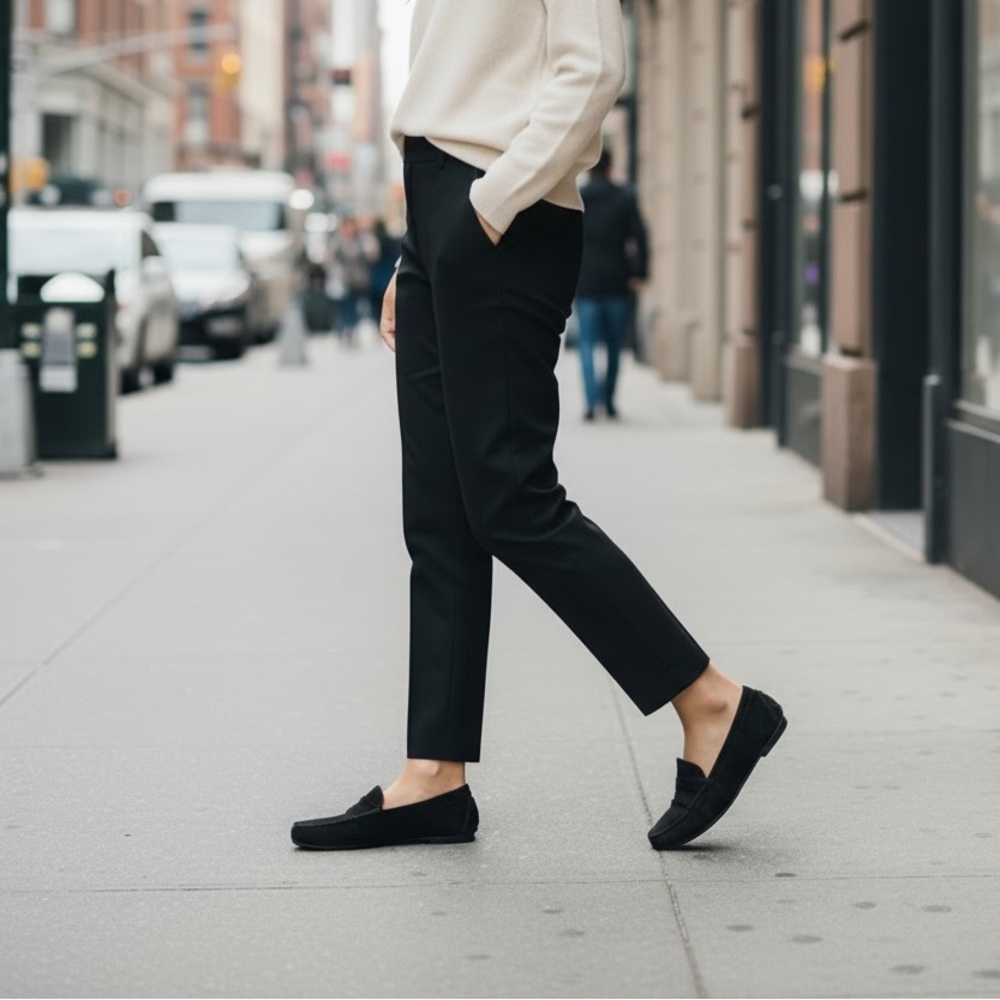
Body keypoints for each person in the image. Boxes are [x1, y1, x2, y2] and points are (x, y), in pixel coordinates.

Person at [291, 0, 786, 853]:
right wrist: (424, 243)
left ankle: (711, 701)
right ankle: (434, 776)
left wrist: (486, 210)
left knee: (512, 497)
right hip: (442, 211)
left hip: (502, 218)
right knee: (440, 515)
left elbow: (591, 67)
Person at [575, 147, 648, 420]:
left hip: (586, 281)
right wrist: (640, 273)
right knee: (615, 345)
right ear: (609, 167)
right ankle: (609, 400)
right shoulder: (625, 197)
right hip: (618, 280)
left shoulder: (580, 198)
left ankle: (591, 403)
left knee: (587, 344)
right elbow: (641, 237)